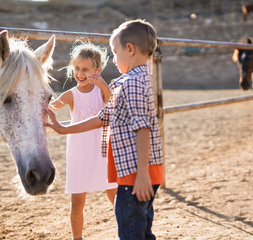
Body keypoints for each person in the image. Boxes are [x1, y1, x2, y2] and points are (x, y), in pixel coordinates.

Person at [46, 19, 164, 240]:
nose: (114, 58)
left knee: (131, 231)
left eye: (115, 52)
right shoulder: (135, 81)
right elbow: (103, 118)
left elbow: (143, 128)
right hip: (131, 171)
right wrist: (63, 129)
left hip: (135, 173)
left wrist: (142, 174)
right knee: (140, 229)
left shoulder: (130, 84)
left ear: (130, 49)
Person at [49, 40, 117, 240]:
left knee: (114, 195)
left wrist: (104, 85)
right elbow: (49, 109)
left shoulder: (102, 91)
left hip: (103, 150)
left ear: (98, 69)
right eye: (77, 68)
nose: (80, 73)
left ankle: (128, 230)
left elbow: (113, 105)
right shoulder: (71, 95)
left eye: (86, 69)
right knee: (77, 202)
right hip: (79, 152)